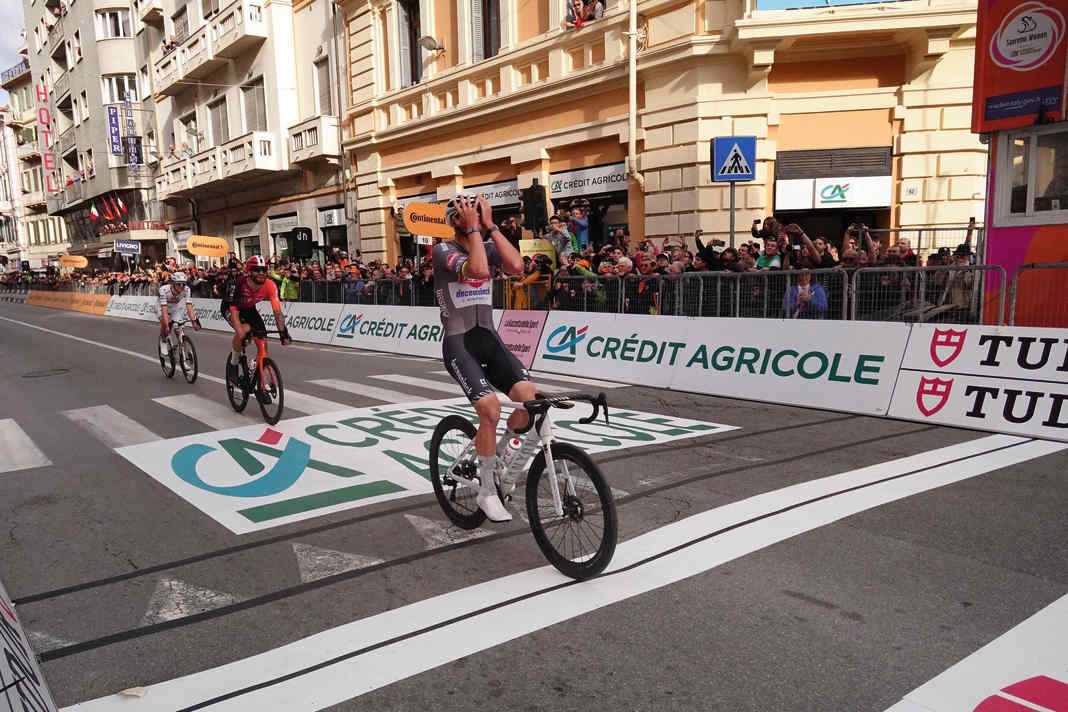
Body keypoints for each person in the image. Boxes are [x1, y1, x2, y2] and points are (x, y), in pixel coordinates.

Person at [433, 193, 536, 523]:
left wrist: (490, 226)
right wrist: (476, 230)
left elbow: (517, 266)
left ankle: (492, 458)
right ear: (456, 221)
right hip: (459, 344)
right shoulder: (442, 251)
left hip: (489, 338)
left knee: (529, 402)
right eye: (470, 215)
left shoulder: (486, 241)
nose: (474, 219)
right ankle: (487, 491)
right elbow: (477, 270)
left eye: (477, 214)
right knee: (490, 408)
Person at [224, 255, 291, 386]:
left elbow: (277, 312)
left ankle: (260, 381)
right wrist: (241, 335)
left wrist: (283, 332)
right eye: (257, 270)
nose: (261, 273)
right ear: (249, 271)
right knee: (244, 330)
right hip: (231, 308)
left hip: (249, 308)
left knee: (262, 340)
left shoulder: (270, 285)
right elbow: (235, 315)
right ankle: (233, 365)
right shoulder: (238, 284)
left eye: (264, 270)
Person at [157, 271, 201, 357]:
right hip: (161, 307)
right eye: (179, 284)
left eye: (183, 284)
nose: (182, 286)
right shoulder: (164, 290)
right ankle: (163, 340)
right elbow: (164, 310)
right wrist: (167, 325)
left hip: (174, 307)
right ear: (173, 283)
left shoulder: (187, 289)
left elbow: (189, 307)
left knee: (178, 330)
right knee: (165, 324)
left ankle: (183, 358)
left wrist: (194, 322)